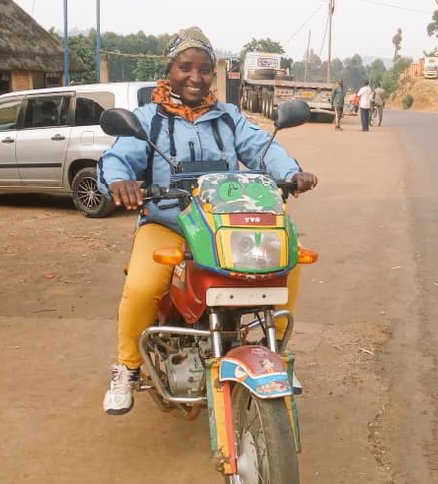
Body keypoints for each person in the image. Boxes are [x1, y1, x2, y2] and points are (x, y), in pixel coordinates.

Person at [97, 27, 319, 415]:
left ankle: (276, 351)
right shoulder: (147, 119)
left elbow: (263, 148)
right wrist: (119, 181)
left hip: (223, 228)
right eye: (186, 67)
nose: (195, 77)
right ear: (170, 70)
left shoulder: (229, 117)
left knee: (288, 258)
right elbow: (118, 157)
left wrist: (291, 173)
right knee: (141, 287)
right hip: (168, 224)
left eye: (203, 69)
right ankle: (128, 367)